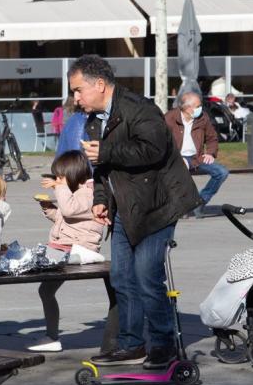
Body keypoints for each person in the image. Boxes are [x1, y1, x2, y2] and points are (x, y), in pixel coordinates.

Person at [73, 55, 201, 369]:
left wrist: (107, 151)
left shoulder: (138, 108)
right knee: (122, 277)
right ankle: (131, 344)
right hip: (124, 208)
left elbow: (154, 149)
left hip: (157, 204)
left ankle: (163, 344)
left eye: (78, 90)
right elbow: (102, 168)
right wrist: (101, 198)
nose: (75, 98)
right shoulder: (94, 120)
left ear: (99, 85)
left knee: (147, 276)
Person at [27, 151, 104, 352]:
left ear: (72, 173)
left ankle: (51, 336)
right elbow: (65, 218)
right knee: (45, 290)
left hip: (82, 249)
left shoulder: (89, 192)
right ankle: (51, 337)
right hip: (66, 246)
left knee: (34, 261)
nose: (57, 181)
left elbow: (69, 210)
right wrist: (48, 207)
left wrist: (59, 187)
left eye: (60, 176)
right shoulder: (73, 194)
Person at [166, 92, 229, 219]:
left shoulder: (203, 117)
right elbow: (161, 142)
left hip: (197, 158)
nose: (201, 108)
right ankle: (181, 206)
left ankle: (199, 202)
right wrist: (176, 158)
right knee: (176, 175)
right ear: (188, 108)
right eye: (198, 105)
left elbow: (212, 138)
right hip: (175, 159)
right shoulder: (169, 118)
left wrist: (211, 153)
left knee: (222, 172)